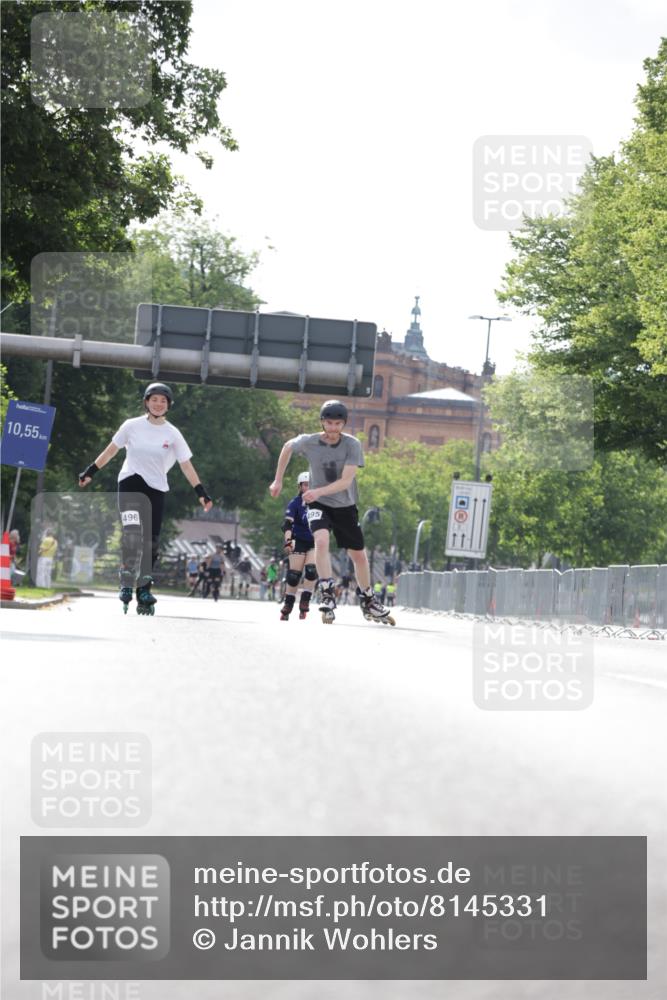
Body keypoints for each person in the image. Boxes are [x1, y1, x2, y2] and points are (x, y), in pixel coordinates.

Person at [78, 382, 212, 614]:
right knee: (131, 533)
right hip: (130, 483)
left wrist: (201, 492)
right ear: (146, 402)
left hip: (156, 488)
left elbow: (186, 465)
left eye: (163, 401)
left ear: (168, 405)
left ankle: (144, 589)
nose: (158, 404)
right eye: (154, 400)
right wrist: (90, 471)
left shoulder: (173, 433)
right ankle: (126, 579)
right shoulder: (131, 426)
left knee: (151, 540)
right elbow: (111, 450)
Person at [269, 399, 392, 624]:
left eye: (338, 424)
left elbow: (345, 481)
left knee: (358, 555)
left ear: (343, 424)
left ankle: (368, 599)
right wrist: (278, 480)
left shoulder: (352, 444)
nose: (333, 428)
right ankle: (326, 590)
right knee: (321, 541)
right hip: (319, 504)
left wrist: (317, 491)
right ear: (322, 422)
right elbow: (287, 447)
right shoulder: (309, 441)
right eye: (329, 423)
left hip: (344, 505)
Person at [279, 471, 317, 621]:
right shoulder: (295, 503)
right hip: (298, 539)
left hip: (315, 540)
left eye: (310, 485)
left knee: (311, 571)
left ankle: (305, 601)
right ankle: (288, 605)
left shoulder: (321, 503)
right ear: (300, 486)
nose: (308, 487)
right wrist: (288, 541)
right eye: (305, 485)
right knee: (294, 576)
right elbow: (287, 524)